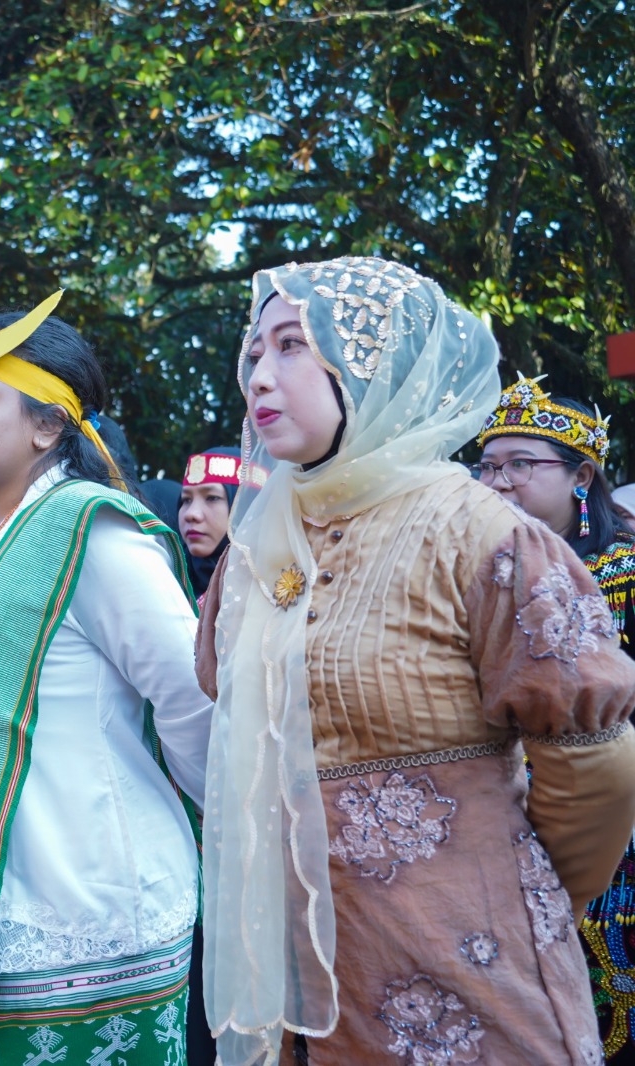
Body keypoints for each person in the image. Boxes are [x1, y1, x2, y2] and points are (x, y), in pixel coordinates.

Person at [196, 256, 635, 1065]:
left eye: (294, 345)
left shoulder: (479, 532)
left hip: (465, 968)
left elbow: (592, 767)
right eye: (254, 351)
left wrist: (499, 898)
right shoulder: (255, 544)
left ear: (374, 365)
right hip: (300, 985)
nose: (261, 373)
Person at [0, 292, 212, 1065]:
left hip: (93, 917)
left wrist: (226, 837)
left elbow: (193, 701)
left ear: (48, 426)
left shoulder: (96, 534)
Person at [476, 377, 635, 1061]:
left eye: (520, 463)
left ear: (582, 475)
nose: (498, 481)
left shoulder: (625, 572)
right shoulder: (481, 573)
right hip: (508, 820)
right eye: (486, 465)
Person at [178, 446, 247, 601]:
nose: (191, 514)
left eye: (212, 497)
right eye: (186, 500)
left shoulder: (277, 585)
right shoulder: (169, 581)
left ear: (245, 506)